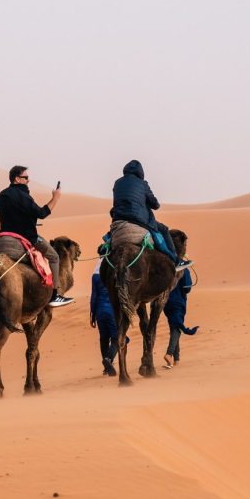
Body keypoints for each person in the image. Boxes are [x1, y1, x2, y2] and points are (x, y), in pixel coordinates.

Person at [0, 166, 74, 307]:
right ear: (17, 179)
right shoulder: (23, 195)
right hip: (25, 237)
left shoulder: (1, 195)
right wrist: (55, 198)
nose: (28, 180)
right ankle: (55, 295)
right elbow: (42, 213)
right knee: (54, 257)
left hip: (3, 236)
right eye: (26, 178)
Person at [111, 161, 192, 271]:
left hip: (118, 220)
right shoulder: (143, 184)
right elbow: (155, 204)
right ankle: (176, 260)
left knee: (108, 239)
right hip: (138, 220)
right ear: (140, 172)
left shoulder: (117, 183)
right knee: (163, 229)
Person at [90, 248, 128, 376]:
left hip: (100, 312)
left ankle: (106, 368)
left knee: (104, 339)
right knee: (120, 338)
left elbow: (94, 296)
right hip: (112, 311)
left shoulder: (95, 274)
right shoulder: (113, 271)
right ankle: (109, 359)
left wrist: (92, 315)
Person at [163, 230, 198, 368]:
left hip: (166, 303)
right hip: (178, 302)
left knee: (174, 326)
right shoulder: (184, 268)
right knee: (177, 328)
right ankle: (169, 354)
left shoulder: (165, 265)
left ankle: (176, 360)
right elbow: (187, 288)